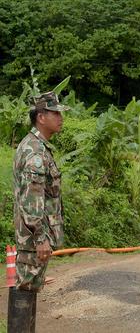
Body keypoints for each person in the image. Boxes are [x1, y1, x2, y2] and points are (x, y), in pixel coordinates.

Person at [10, 91, 68, 331]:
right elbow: (32, 201)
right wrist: (41, 238)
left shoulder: (37, 147)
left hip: (32, 236)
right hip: (33, 237)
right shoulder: (35, 152)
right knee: (26, 288)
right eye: (55, 113)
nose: (60, 118)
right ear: (41, 117)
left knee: (30, 287)